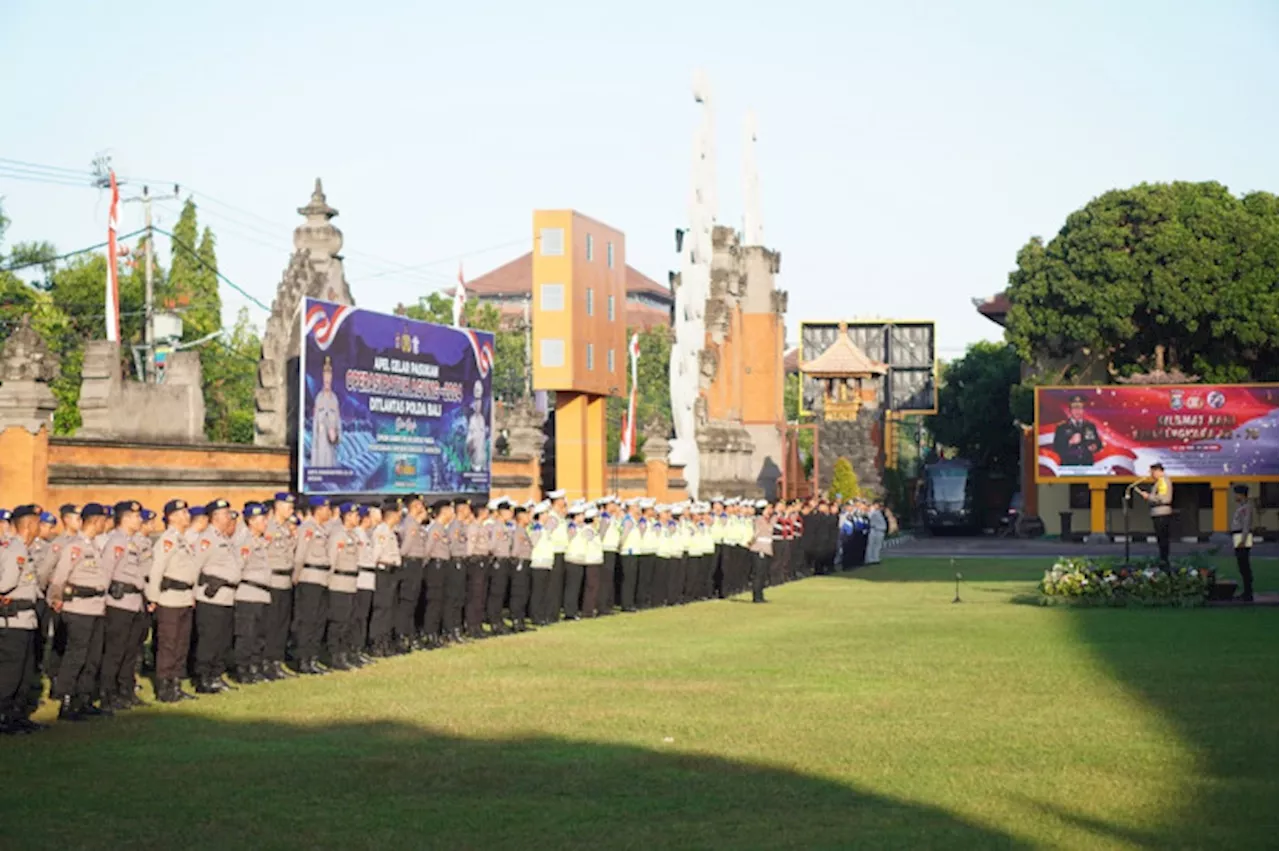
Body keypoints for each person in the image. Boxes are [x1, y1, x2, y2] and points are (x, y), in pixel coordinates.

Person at [48, 502, 112, 721]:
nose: (106, 523)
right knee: (76, 655)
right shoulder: (74, 547)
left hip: (96, 608)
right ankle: (66, 700)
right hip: (78, 608)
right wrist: (56, 600)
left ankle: (83, 699)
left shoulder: (94, 546)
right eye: (103, 519)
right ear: (95, 520)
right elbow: (58, 579)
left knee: (92, 657)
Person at [100, 501, 151, 711]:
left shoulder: (134, 542)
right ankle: (107, 693)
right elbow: (105, 573)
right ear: (126, 518)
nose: (140, 520)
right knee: (115, 651)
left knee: (131, 651)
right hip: (118, 603)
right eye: (136, 516)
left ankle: (126, 690)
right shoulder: (116, 542)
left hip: (135, 602)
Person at [145, 499, 197, 703]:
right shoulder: (168, 540)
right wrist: (153, 598)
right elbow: (157, 570)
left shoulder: (183, 540)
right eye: (182, 513)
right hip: (169, 599)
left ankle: (176, 683)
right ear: (172, 517)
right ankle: (164, 687)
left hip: (184, 598)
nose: (187, 516)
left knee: (181, 644)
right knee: (168, 644)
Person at [0, 504, 43, 734]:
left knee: (25, 672)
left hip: (26, 619)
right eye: (37, 522)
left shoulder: (24, 549)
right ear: (28, 525)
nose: (40, 526)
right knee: (10, 673)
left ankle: (18, 715)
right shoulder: (15, 548)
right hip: (13, 620)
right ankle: (4, 715)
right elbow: (6, 583)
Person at [193, 499, 241, 693]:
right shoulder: (207, 539)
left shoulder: (224, 538)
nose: (229, 516)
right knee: (209, 640)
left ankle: (216, 675)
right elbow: (195, 567)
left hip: (226, 598)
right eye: (225, 513)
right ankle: (204, 678)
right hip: (210, 598)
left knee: (222, 640)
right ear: (215, 517)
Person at [292, 497, 333, 674]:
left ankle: (312, 657)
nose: (329, 512)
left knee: (318, 620)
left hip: (322, 578)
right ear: (318, 510)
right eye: (326, 508)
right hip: (309, 578)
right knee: (308, 621)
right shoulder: (308, 528)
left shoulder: (322, 530)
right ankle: (303, 659)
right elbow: (300, 554)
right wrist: (296, 576)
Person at [263, 494, 298, 681]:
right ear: (278, 507)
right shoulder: (268, 527)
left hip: (285, 581)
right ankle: (267, 661)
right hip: (273, 581)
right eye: (288, 506)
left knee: (282, 625)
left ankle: (276, 660)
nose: (291, 509)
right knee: (271, 624)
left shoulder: (286, 529)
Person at [325, 503, 361, 670]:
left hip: (350, 583)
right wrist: (328, 582)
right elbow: (331, 560)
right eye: (355, 515)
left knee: (347, 622)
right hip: (338, 583)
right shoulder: (338, 535)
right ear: (347, 516)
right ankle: (334, 655)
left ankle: (344, 653)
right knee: (338, 622)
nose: (357, 518)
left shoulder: (352, 536)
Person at [1052, 394, 1103, 467]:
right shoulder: (1062, 427)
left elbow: (1099, 444)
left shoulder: (1090, 426)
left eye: (1080, 408)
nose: (1077, 411)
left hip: (1087, 466)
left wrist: (1095, 446)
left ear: (1083, 410)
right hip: (1068, 467)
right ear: (1070, 410)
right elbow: (1056, 447)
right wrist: (1070, 442)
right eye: (1074, 408)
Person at [1138, 463, 1174, 566]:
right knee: (1161, 538)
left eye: (1152, 472)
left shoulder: (1163, 481)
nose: (1151, 475)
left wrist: (1148, 496)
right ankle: (1163, 558)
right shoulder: (1160, 481)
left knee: (1163, 538)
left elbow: (1163, 498)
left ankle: (1164, 560)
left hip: (1161, 513)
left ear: (1158, 471)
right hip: (1159, 513)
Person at [311, 355, 342, 468]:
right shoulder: (318, 398)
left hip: (331, 450)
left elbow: (338, 424)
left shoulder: (335, 400)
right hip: (319, 447)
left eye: (329, 377)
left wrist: (335, 436)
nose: (327, 380)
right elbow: (315, 426)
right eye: (325, 377)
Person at [1231, 485, 1255, 603]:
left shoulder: (1246, 507)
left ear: (1241, 495)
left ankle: (1248, 593)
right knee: (1241, 565)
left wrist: (1243, 540)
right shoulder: (1241, 507)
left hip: (1242, 536)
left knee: (1244, 564)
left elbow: (1246, 524)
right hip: (1237, 536)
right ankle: (1246, 591)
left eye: (1236, 494)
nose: (1235, 496)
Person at [749, 501, 773, 604]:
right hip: (759, 548)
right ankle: (756, 596)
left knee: (763, 573)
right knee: (758, 573)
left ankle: (760, 594)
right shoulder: (759, 520)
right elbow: (756, 534)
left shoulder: (766, 520)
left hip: (766, 548)